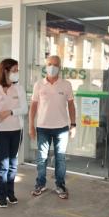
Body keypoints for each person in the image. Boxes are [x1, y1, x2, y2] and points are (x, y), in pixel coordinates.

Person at [29, 55, 76, 199]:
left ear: (60, 67)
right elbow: (33, 106)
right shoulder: (38, 84)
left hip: (61, 128)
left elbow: (71, 105)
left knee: (60, 159)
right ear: (45, 65)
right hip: (42, 127)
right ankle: (40, 184)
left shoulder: (66, 84)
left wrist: (73, 125)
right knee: (42, 158)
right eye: (49, 64)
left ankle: (60, 185)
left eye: (55, 64)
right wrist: (31, 125)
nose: (52, 67)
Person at [0, 58, 28, 208]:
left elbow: (24, 109)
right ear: (5, 71)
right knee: (4, 164)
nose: (17, 73)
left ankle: (10, 193)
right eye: (14, 70)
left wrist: (10, 112)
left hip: (16, 131)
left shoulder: (19, 89)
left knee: (13, 164)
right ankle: (1, 195)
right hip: (1, 132)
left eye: (17, 70)